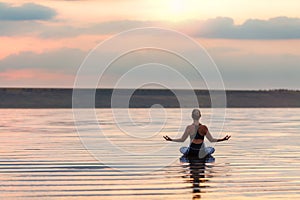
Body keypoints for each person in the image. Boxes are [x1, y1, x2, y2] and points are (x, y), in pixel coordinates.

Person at [163, 109, 231, 158]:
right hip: (201, 151)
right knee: (211, 149)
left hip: (192, 150)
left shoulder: (189, 128)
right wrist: (223, 139)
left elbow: (182, 140)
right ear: (200, 116)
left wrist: (171, 139)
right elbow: (212, 140)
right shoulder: (204, 128)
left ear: (192, 116)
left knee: (182, 149)